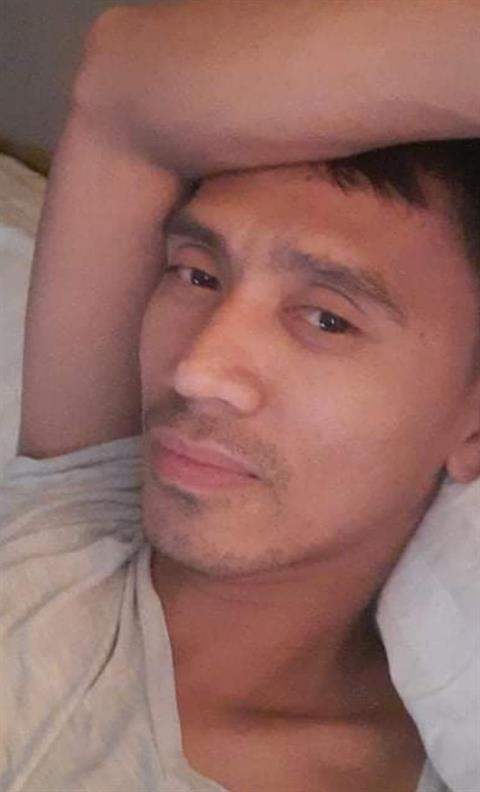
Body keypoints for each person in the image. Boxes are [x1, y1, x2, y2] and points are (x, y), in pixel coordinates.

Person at [1, 2, 479, 790]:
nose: (196, 370)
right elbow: (122, 81)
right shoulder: (68, 538)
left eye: (327, 319)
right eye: (197, 275)